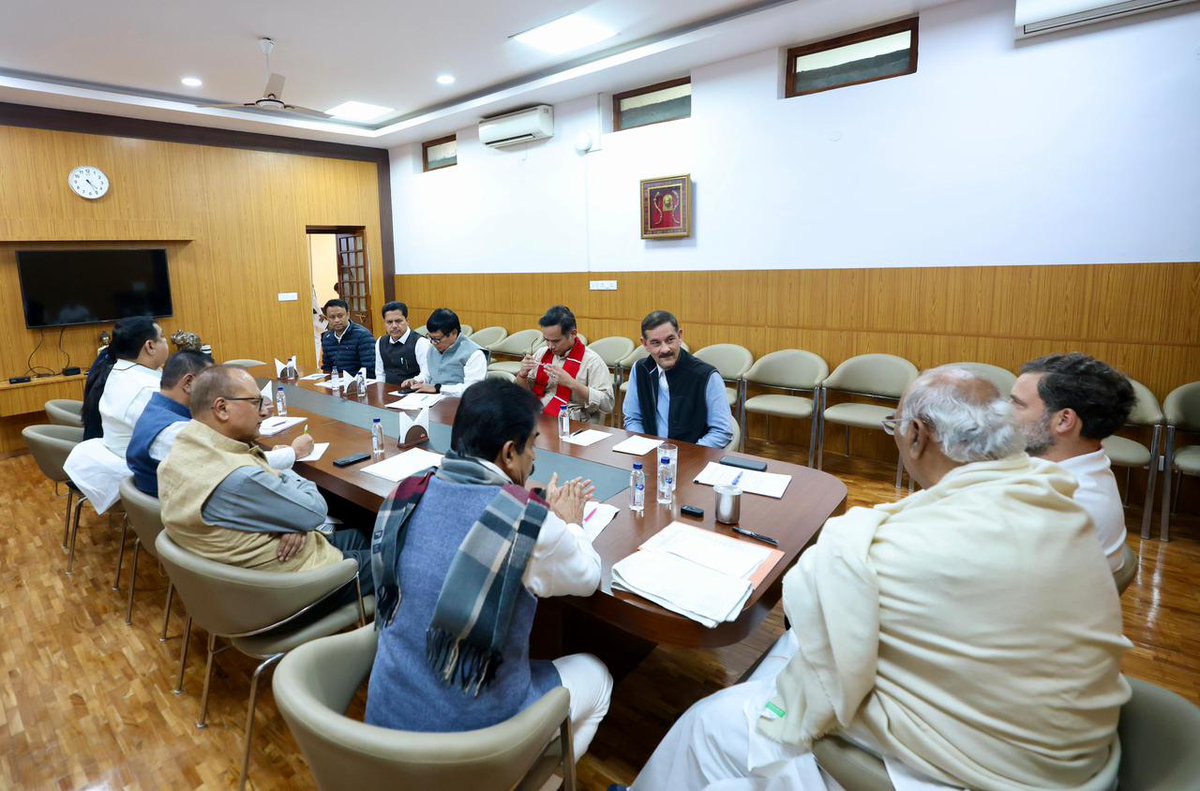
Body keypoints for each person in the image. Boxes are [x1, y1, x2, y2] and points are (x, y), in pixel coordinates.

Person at [629, 367, 1129, 791]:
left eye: (896, 424)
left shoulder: (894, 548)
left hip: (965, 769)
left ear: (917, 435)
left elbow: (821, 648)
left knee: (707, 724)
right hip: (1071, 752)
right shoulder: (1062, 504)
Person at [366, 379, 612, 760]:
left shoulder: (407, 492)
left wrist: (523, 498)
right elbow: (587, 578)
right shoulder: (528, 523)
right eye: (532, 444)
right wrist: (570, 523)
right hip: (471, 744)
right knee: (597, 676)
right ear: (509, 453)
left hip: (385, 722)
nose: (536, 458)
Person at [157, 366, 372, 601]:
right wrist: (282, 477)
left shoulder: (179, 453)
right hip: (292, 589)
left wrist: (291, 520)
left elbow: (295, 515)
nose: (263, 413)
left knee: (361, 535)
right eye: (255, 402)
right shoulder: (240, 477)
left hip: (235, 585)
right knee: (400, 555)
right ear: (222, 408)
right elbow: (314, 510)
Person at [1010, 353, 1136, 573]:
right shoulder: (1080, 465)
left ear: (1064, 420)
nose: (1004, 413)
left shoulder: (1068, 506)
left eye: (1018, 405)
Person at [622, 311, 733, 448]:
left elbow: (721, 432)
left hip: (692, 458)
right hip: (650, 455)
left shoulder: (706, 376)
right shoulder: (640, 369)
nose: (665, 349)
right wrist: (643, 446)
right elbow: (633, 418)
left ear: (680, 336)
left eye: (670, 340)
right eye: (656, 343)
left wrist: (682, 456)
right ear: (645, 344)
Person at [515, 305, 614, 422]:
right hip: (539, 414)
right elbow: (524, 394)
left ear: (573, 334)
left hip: (572, 421)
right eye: (546, 340)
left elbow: (607, 404)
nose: (550, 346)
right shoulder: (542, 353)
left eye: (556, 341)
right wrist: (522, 375)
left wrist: (572, 383)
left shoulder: (592, 361)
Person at [93, 316, 171, 455]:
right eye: (163, 336)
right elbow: (173, 439)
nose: (166, 341)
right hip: (146, 467)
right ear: (150, 346)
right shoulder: (146, 391)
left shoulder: (119, 370)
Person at [400, 308, 486, 396]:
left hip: (457, 403)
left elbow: (471, 390)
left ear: (454, 333)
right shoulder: (432, 348)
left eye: (437, 339)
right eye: (430, 337)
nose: (433, 343)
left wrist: (439, 388)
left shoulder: (474, 354)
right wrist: (417, 380)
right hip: (431, 399)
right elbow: (428, 374)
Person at [373, 300, 429, 386]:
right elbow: (380, 374)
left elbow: (427, 373)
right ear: (384, 323)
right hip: (388, 392)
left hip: (413, 391)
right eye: (389, 322)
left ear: (407, 321)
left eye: (398, 321)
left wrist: (414, 380)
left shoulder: (421, 342)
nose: (394, 326)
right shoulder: (381, 342)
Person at [320, 298, 375, 377]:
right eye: (332, 317)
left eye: (340, 316)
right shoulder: (327, 337)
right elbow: (327, 367)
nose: (336, 320)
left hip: (359, 383)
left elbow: (369, 368)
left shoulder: (363, 335)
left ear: (348, 315)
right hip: (336, 383)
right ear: (327, 318)